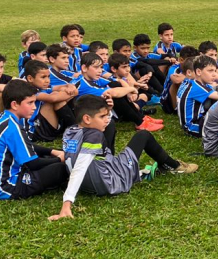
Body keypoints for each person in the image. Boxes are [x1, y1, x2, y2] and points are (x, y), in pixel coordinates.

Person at [49, 95, 196, 222]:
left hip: (86, 185)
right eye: (102, 116)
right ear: (87, 118)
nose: (106, 119)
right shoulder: (94, 136)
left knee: (110, 126)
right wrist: (66, 204)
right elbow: (80, 169)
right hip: (110, 183)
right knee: (143, 135)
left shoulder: (70, 131)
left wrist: (107, 113)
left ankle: (111, 161)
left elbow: (77, 162)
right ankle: (173, 166)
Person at [0, 80, 68, 201]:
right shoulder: (13, 128)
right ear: (15, 105)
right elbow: (32, 164)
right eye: (30, 103)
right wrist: (59, 159)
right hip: (3, 188)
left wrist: (52, 151)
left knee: (51, 157)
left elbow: (26, 146)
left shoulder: (2, 119)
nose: (34, 107)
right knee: (59, 168)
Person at [23, 60, 76, 141]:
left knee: (58, 95)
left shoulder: (43, 87)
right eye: (43, 77)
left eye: (48, 76)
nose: (47, 80)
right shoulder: (29, 91)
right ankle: (76, 131)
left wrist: (70, 86)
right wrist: (67, 92)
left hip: (47, 125)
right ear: (30, 78)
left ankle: (75, 130)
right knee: (56, 99)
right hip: (37, 130)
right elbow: (52, 99)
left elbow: (71, 89)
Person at [177, 55, 218, 135]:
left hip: (194, 121)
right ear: (198, 72)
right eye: (210, 71)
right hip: (192, 126)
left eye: (215, 71)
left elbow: (215, 87)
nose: (214, 74)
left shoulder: (192, 82)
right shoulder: (197, 87)